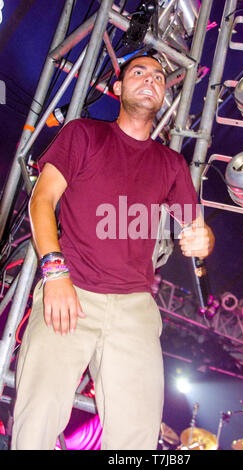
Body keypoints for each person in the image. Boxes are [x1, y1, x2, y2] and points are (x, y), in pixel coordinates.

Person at [11, 54, 215, 450]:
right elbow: (42, 200)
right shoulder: (83, 134)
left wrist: (203, 237)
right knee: (38, 415)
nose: (151, 80)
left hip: (135, 306)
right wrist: (55, 272)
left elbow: (194, 228)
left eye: (159, 76)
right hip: (71, 290)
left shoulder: (172, 164)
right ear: (117, 88)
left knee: (137, 436)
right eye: (138, 72)